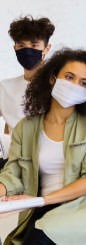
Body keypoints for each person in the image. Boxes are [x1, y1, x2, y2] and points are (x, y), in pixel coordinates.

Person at [0, 48, 86, 244]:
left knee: (38, 239)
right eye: (69, 77)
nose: (75, 85)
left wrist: (40, 201)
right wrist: (2, 189)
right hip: (41, 208)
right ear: (52, 78)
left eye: (83, 83)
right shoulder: (26, 127)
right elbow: (13, 171)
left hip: (84, 209)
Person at [0, 15, 55, 167]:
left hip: (47, 162)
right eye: (21, 46)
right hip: (13, 161)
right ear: (15, 48)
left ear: (47, 48)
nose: (27, 50)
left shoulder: (57, 86)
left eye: (34, 45)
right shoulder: (5, 87)